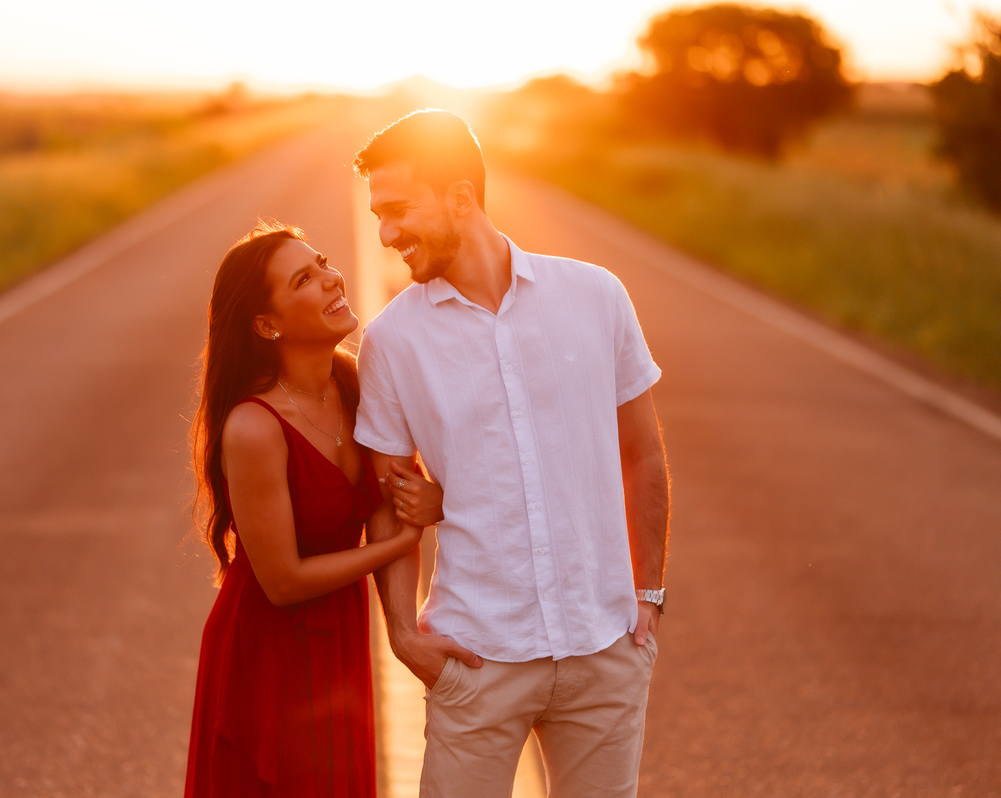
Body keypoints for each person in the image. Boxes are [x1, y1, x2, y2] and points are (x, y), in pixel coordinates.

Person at [353, 110, 671, 797]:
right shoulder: (392, 342)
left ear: (460, 197)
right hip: (477, 658)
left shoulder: (595, 296)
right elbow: (387, 501)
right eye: (377, 214)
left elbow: (642, 455)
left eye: (399, 209)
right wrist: (404, 636)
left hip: (604, 650)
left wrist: (649, 597)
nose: (385, 233)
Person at [184, 221, 445, 798]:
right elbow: (282, 581)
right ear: (267, 323)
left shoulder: (354, 383)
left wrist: (437, 502)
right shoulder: (254, 426)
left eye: (323, 262)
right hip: (268, 652)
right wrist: (398, 544)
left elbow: (404, 492)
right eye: (305, 278)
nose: (332, 278)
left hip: (338, 637)